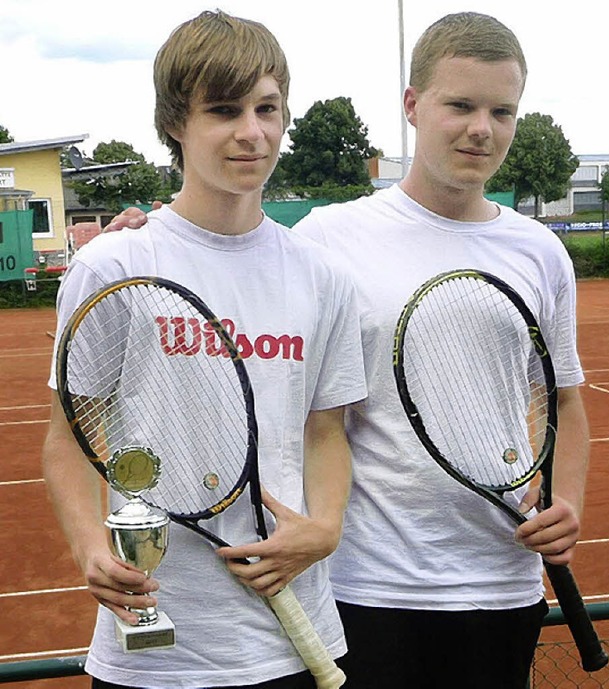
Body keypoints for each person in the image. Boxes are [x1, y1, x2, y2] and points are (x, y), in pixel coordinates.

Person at [103, 11, 590, 689]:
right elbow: (228, 249)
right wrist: (141, 229)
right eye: (460, 104)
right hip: (367, 585)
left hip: (504, 582)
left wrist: (568, 497)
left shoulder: (542, 251)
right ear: (414, 107)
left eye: (501, 110)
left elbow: (562, 396)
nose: (481, 127)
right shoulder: (330, 241)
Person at [43, 10, 366, 689]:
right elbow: (71, 433)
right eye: (224, 110)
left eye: (268, 108)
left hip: (291, 636)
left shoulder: (323, 275)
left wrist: (327, 526)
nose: (253, 132)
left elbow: (326, 429)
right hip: (156, 652)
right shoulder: (113, 266)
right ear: (174, 123)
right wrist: (88, 545)